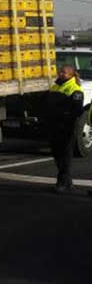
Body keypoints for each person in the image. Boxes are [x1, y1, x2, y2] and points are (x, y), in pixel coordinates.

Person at [47, 64, 85, 193]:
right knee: (57, 154)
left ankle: (62, 181)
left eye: (64, 73)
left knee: (65, 155)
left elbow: (78, 111)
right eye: (60, 72)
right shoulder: (56, 85)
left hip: (67, 126)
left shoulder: (75, 89)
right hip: (54, 125)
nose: (61, 74)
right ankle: (67, 181)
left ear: (71, 75)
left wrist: (64, 115)